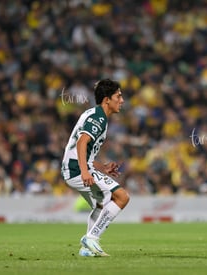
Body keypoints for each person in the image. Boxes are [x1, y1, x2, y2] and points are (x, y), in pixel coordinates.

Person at [61, 79, 129, 257]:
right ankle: (91, 238)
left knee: (102, 203)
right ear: (107, 99)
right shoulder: (98, 117)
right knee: (121, 197)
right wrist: (85, 171)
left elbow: (83, 149)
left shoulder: (95, 115)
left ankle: (87, 248)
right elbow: (82, 142)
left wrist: (101, 168)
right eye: (118, 96)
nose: (122, 100)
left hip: (73, 168)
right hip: (76, 169)